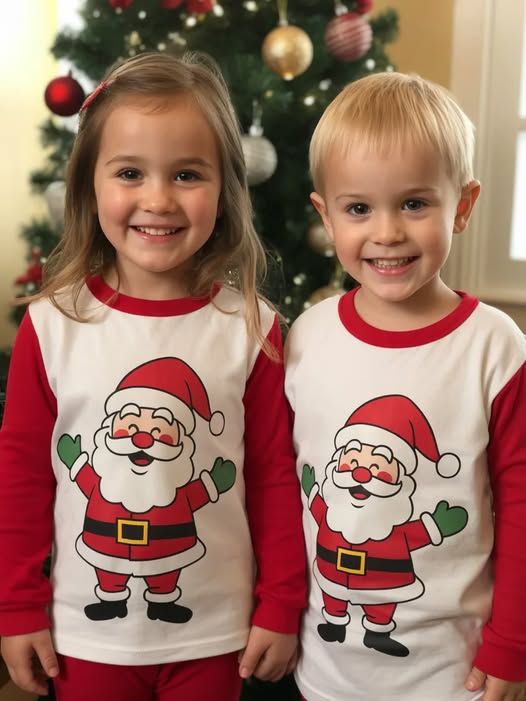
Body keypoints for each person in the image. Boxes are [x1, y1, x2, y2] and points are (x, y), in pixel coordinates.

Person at [0, 51, 306, 701]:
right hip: (85, 635)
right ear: (89, 185)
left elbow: (274, 474)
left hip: (214, 636)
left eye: (187, 174)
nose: (159, 199)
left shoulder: (251, 327)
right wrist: (17, 606)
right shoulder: (51, 326)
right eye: (130, 172)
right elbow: (21, 475)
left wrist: (282, 602)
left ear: (225, 188)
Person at [284, 72, 526, 701]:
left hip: (452, 675)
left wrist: (513, 642)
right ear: (326, 215)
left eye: (415, 204)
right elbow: (284, 488)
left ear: (462, 206)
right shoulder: (306, 338)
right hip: (326, 672)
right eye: (359, 209)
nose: (387, 232)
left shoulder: (494, 347)